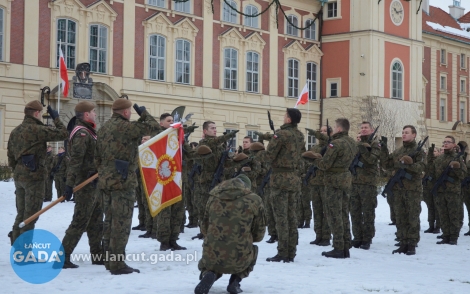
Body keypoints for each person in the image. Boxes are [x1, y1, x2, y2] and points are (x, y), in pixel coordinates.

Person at [95, 98, 161, 275]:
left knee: (109, 221)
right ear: (125, 112)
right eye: (130, 111)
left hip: (106, 182)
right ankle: (117, 264)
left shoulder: (103, 129)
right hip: (122, 183)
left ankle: (110, 260)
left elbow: (97, 158)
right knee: (121, 223)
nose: (131, 113)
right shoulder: (127, 128)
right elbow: (154, 127)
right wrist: (144, 114)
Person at [7, 101, 68, 244]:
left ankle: (17, 247)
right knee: (31, 216)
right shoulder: (37, 129)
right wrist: (56, 118)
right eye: (40, 113)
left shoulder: (15, 131)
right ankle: (25, 251)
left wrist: (19, 170)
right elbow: (63, 133)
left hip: (19, 176)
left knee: (21, 214)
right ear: (36, 113)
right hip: (34, 177)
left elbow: (11, 157)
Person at [194, 174, 265, 294]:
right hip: (239, 257)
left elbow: (204, 228)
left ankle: (209, 273)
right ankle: (235, 281)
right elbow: (259, 234)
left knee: (213, 249)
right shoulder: (255, 200)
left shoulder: (213, 197)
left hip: (212, 257)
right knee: (254, 249)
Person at [60, 101, 104, 268]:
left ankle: (98, 255)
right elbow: (76, 161)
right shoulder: (82, 133)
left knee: (96, 221)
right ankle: (62, 256)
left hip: (94, 182)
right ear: (86, 114)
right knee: (80, 221)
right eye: (93, 112)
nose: (95, 114)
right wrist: (69, 184)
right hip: (85, 184)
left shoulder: (90, 131)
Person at [309, 118, 357, 258]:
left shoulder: (335, 144)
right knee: (343, 214)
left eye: (335, 127)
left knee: (334, 214)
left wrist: (313, 159)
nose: (334, 129)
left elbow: (325, 165)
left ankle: (338, 247)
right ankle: (345, 245)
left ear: (340, 129)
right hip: (345, 179)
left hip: (333, 181)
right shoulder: (352, 143)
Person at [263, 108, 306, 263]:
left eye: (285, 116)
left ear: (288, 119)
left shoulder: (280, 135)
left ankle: (283, 252)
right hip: (294, 179)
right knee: (292, 217)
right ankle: (291, 251)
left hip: (280, 179)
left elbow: (269, 156)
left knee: (281, 217)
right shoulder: (300, 135)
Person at [380, 125, 425, 255]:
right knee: (400, 216)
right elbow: (386, 164)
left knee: (412, 216)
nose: (404, 134)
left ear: (414, 135)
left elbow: (421, 167)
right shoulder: (399, 151)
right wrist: (383, 149)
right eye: (403, 132)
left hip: (412, 190)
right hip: (398, 189)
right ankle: (403, 241)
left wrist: (408, 164)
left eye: (407, 132)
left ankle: (411, 243)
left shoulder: (419, 151)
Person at [192, 121, 238, 240]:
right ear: (205, 131)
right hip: (206, 181)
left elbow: (226, 162)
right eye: (212, 128)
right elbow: (214, 142)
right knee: (204, 207)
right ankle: (204, 231)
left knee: (218, 207)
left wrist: (237, 161)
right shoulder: (204, 143)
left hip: (219, 180)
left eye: (215, 128)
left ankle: (216, 230)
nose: (215, 130)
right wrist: (228, 135)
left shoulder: (219, 145)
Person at [349, 122, 380, 250]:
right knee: (354, 212)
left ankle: (367, 238)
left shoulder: (375, 144)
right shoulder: (356, 144)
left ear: (372, 130)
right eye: (361, 128)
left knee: (367, 212)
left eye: (366, 128)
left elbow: (371, 160)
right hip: (354, 183)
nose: (363, 129)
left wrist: (362, 147)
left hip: (368, 184)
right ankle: (357, 237)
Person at [430, 136, 466, 245]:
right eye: (444, 142)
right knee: (443, 214)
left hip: (453, 191)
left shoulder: (458, 158)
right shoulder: (439, 159)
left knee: (453, 214)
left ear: (454, 145)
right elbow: (434, 174)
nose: (445, 144)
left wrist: (456, 168)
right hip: (441, 191)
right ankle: (445, 235)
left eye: (448, 142)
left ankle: (453, 237)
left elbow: (463, 175)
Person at [304, 126, 331, 246]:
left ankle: (326, 236)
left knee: (326, 211)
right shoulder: (315, 148)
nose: (322, 133)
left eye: (325, 131)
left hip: (325, 182)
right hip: (315, 182)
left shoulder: (331, 147)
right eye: (321, 131)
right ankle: (318, 235)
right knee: (317, 210)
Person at [422, 144, 440, 234]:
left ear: (439, 153)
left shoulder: (439, 162)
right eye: (432, 152)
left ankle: (438, 226)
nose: (433, 153)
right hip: (428, 187)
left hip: (436, 187)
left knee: (437, 208)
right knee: (430, 207)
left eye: (435, 151)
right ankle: (431, 225)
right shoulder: (428, 163)